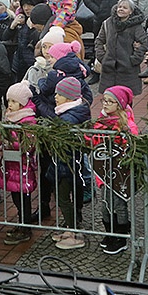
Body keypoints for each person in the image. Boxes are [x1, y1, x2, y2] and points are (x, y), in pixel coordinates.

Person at [89, 85, 139, 254]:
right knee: (105, 204)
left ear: (119, 105)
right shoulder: (102, 121)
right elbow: (94, 142)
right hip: (103, 171)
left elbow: (131, 148)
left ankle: (121, 235)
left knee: (118, 204)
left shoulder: (127, 125)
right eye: (104, 100)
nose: (105, 104)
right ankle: (109, 233)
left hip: (119, 174)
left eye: (110, 101)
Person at [47, 77, 93, 251]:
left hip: (66, 165)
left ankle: (74, 231)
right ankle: (70, 226)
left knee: (63, 198)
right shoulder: (74, 111)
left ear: (69, 97)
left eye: (59, 94)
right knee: (70, 197)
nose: (55, 97)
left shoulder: (68, 118)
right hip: (69, 164)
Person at [0, 81, 38, 245]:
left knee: (23, 198)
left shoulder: (28, 120)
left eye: (14, 102)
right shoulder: (10, 118)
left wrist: (7, 142)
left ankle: (25, 226)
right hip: (11, 164)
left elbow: (27, 143)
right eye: (9, 101)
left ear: (23, 103)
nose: (10, 105)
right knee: (16, 196)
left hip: (22, 165)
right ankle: (21, 222)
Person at [94, 0, 147, 94]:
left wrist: (133, 60)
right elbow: (99, 41)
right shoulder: (108, 23)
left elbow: (143, 44)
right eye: (120, 7)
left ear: (131, 11)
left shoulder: (136, 26)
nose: (121, 9)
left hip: (128, 71)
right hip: (109, 70)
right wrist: (102, 57)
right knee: (109, 100)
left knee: (126, 101)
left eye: (125, 8)